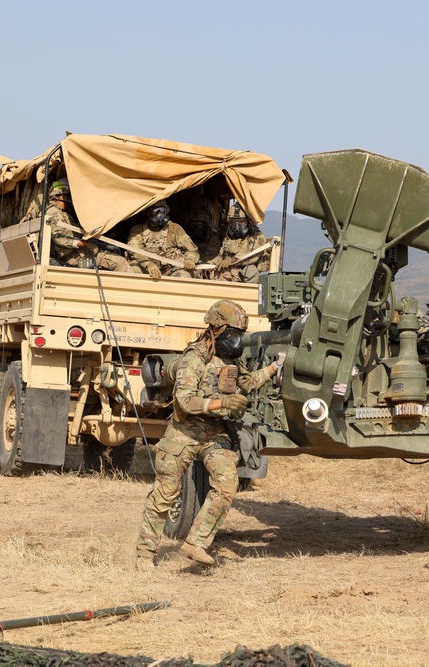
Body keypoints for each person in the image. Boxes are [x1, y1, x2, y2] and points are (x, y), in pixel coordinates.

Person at [136, 300, 282, 569]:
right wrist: (222, 404)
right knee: (166, 492)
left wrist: (273, 369)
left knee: (227, 485)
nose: (236, 341)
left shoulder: (230, 359)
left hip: (215, 433)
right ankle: (145, 554)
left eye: (239, 336)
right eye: (232, 335)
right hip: (185, 432)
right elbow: (185, 401)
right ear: (216, 328)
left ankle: (195, 544)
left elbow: (246, 382)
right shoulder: (194, 358)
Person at [46, 179, 134, 272]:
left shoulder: (62, 213)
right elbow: (58, 236)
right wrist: (78, 243)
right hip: (74, 258)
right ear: (63, 196)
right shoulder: (53, 212)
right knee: (119, 262)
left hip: (80, 254)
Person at [126, 202, 199, 279]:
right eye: (155, 210)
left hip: (171, 270)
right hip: (146, 269)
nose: (159, 214)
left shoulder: (174, 228)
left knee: (184, 274)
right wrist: (149, 264)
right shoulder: (138, 230)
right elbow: (135, 250)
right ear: (148, 213)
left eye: (162, 210)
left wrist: (190, 260)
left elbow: (192, 249)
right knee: (132, 268)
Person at [214, 204, 270, 283]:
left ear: (248, 221)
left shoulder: (256, 235)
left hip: (244, 269)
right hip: (229, 270)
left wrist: (232, 260)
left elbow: (253, 254)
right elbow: (220, 253)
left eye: (241, 222)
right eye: (233, 222)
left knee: (251, 271)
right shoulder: (227, 236)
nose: (237, 226)